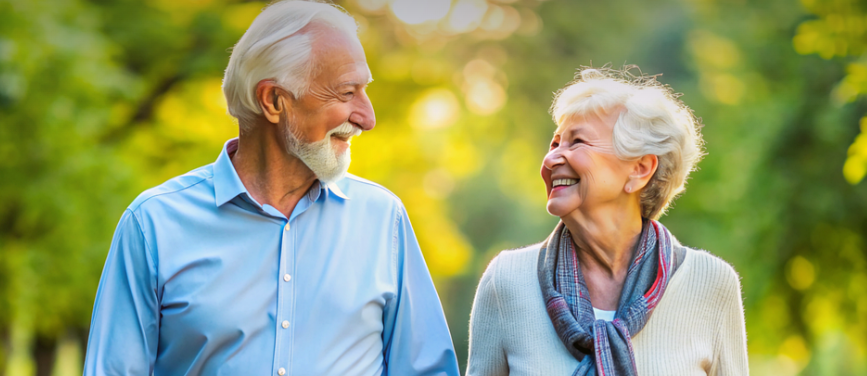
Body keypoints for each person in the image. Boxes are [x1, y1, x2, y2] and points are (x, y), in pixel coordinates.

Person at [83, 1, 460, 375]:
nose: (367, 117)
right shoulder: (152, 226)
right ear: (274, 100)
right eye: (347, 93)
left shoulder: (383, 220)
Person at [466, 67, 749, 376]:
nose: (551, 160)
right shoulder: (507, 281)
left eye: (577, 142)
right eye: (555, 144)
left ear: (640, 169)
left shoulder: (711, 283)